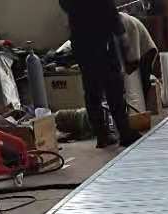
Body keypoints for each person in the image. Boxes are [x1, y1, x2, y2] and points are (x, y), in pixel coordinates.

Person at [59, 0, 139, 148]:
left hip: (81, 40)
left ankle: (102, 135)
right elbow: (109, 9)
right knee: (113, 87)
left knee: (91, 90)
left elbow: (64, 5)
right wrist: (123, 36)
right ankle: (124, 132)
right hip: (102, 39)